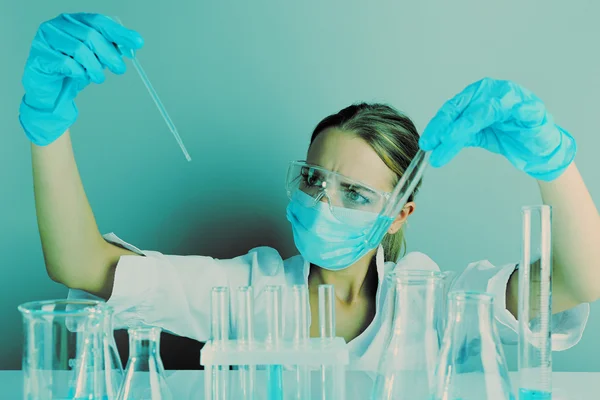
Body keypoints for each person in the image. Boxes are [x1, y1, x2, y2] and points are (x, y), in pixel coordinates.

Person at [20, 13, 600, 371]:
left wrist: (551, 165)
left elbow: (579, 282)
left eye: (355, 194)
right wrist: (48, 128)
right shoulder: (251, 289)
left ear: (400, 214)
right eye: (315, 181)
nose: (323, 204)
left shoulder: (436, 303)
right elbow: (80, 262)